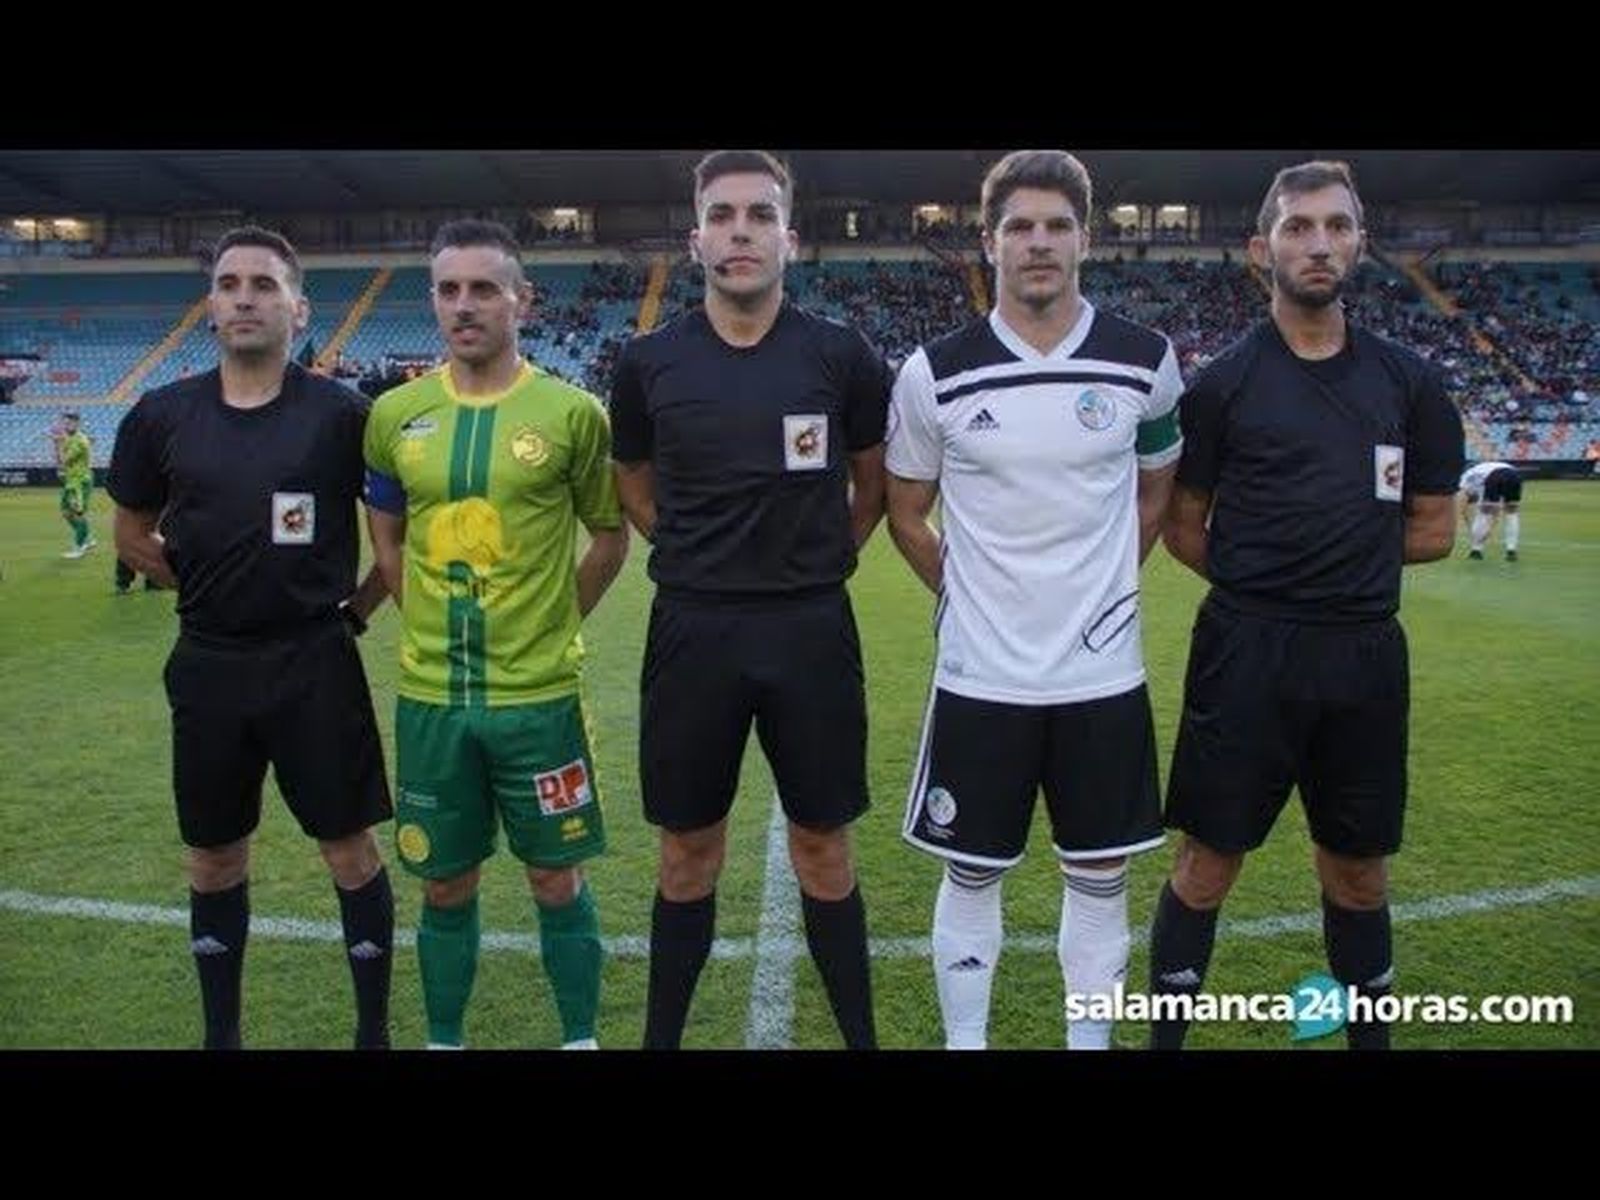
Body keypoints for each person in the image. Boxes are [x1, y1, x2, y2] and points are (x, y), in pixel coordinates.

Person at [1148, 162, 1464, 1050]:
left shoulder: (1411, 384)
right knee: (1208, 864)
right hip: (1246, 648)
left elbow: (1435, 528)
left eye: (1335, 226)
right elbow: (1181, 526)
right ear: (1263, 248)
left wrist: (1336, 562)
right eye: (1297, 227)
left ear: (1360, 242)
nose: (1317, 243)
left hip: (1363, 656)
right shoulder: (1223, 386)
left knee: (1358, 872)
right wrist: (1273, 577)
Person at [885, 150, 1182, 1050]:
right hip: (983, 675)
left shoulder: (1146, 362)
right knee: (971, 872)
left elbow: (1157, 489)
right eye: (1020, 226)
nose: (1039, 243)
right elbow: (905, 511)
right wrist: (974, 594)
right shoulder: (935, 372)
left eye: (1057, 225)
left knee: (1100, 874)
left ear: (1085, 239)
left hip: (1102, 674)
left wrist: (1102, 590)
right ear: (991, 242)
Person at [610, 151, 888, 1050]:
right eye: (722, 216)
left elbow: (873, 483)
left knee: (825, 847)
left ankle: (860, 1038)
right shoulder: (649, 360)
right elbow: (634, 481)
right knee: (687, 853)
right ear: (696, 240)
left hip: (810, 627)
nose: (740, 231)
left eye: (759, 215)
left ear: (789, 238)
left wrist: (818, 556)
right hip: (694, 629)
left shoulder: (840, 355)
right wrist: (694, 554)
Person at [106, 226, 395, 1050]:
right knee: (213, 857)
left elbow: (394, 540)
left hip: (315, 662)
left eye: (263, 285)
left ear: (298, 309)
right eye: (229, 283)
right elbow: (131, 534)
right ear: (209, 306)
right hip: (209, 664)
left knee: (349, 849)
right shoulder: (161, 416)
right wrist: (199, 589)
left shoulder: (345, 415)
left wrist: (358, 610)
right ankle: (221, 1035)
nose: (243, 297)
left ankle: (370, 1033)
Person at [364, 219, 628, 1050]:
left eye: (484, 288)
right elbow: (388, 538)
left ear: (522, 298)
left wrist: (556, 621)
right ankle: (444, 1039)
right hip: (431, 701)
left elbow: (610, 536)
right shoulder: (394, 415)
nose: (464, 305)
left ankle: (579, 1037)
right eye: (448, 289)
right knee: (444, 885)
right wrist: (423, 618)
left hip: (539, 699)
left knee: (556, 876)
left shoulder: (574, 414)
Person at [1457, 459, 1523, 561]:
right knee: (1511, 513)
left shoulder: (1466, 477)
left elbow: (1462, 503)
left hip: (1495, 476)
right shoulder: (1482, 471)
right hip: (1514, 475)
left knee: (1484, 513)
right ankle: (1511, 550)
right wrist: (1491, 525)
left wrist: (1470, 526)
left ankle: (1476, 550)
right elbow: (1495, 513)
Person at [53, 410, 97, 558]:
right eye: (65, 422)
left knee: (78, 513)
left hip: (80, 482)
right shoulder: (70, 439)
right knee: (66, 512)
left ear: (77, 423)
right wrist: (59, 443)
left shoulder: (79, 441)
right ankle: (87, 537)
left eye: (70, 422)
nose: (66, 425)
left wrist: (57, 443)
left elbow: (63, 462)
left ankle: (79, 547)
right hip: (71, 482)